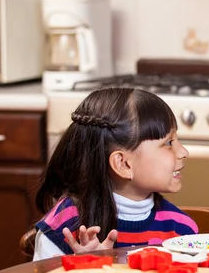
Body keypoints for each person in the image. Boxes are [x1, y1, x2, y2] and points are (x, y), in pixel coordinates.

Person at [33, 88, 198, 261]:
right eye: (169, 143)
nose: (183, 152)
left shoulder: (181, 229)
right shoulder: (65, 228)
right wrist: (84, 268)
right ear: (123, 164)